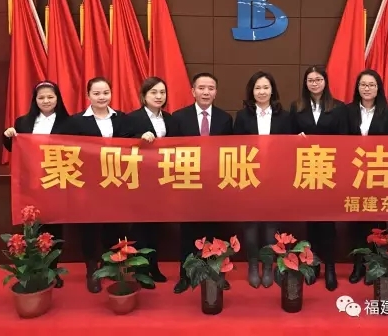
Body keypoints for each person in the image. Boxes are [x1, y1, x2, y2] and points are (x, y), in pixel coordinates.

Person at [58, 77, 125, 293]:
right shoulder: (75, 122)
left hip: (115, 182)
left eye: (105, 92)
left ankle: (110, 265)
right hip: (87, 184)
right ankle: (92, 270)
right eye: (96, 93)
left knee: (114, 226)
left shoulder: (122, 118)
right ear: (88, 96)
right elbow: (63, 148)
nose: (101, 97)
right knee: (90, 228)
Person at [3, 80, 70, 288]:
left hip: (57, 181)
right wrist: (8, 135)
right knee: (33, 227)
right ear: (35, 100)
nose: (46, 100)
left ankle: (52, 271)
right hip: (31, 182)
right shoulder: (23, 122)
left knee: (54, 228)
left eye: (50, 96)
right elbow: (13, 147)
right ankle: (36, 270)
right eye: (41, 97)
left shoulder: (70, 122)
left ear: (57, 99)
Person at [170, 72, 233, 294]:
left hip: (216, 184)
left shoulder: (225, 119)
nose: (206, 92)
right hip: (188, 183)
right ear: (193, 91)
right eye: (202, 88)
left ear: (216, 92)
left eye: (211, 88)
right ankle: (185, 276)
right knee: (188, 231)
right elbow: (171, 151)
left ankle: (216, 274)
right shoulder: (179, 117)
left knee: (216, 232)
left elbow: (230, 152)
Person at [233, 71, 293, 288]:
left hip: (274, 179)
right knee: (250, 226)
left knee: (270, 226)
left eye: (266, 87)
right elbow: (234, 148)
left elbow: (290, 147)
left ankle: (268, 265)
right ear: (252, 91)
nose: (262, 92)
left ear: (272, 90)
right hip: (249, 177)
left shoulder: (285, 117)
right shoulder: (242, 116)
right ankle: (252, 265)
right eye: (257, 88)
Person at [289, 65, 346, 291]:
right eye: (311, 80)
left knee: (328, 222)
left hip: (330, 171)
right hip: (306, 171)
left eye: (318, 79)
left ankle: (330, 267)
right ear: (305, 83)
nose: (314, 83)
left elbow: (345, 139)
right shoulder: (297, 107)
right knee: (311, 221)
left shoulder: (338, 108)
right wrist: (296, 139)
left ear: (325, 82)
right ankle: (312, 264)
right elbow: (287, 138)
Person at [344, 69, 388, 285]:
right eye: (363, 85)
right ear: (357, 88)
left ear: (378, 89)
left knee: (377, 224)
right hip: (353, 175)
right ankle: (358, 265)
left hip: (378, 175)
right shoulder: (346, 111)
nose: (367, 89)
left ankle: (375, 267)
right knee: (355, 224)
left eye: (371, 85)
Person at [120, 76, 172, 288]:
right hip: (139, 181)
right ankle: (141, 271)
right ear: (144, 95)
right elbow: (120, 144)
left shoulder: (170, 119)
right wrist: (139, 138)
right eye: (153, 92)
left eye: (162, 92)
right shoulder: (132, 118)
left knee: (156, 227)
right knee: (140, 227)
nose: (158, 96)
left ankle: (154, 266)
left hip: (163, 180)